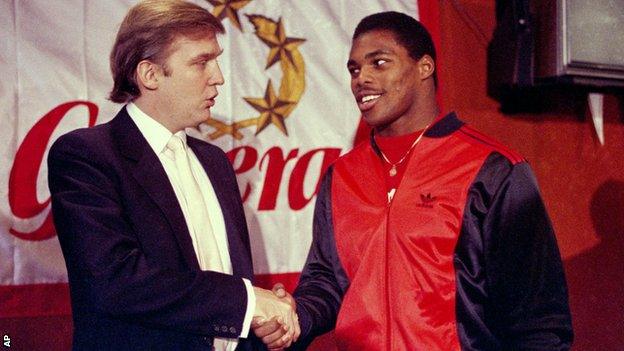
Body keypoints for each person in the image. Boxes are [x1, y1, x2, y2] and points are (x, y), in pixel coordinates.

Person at [254, 11, 573, 350]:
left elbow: (539, 319)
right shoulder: (342, 175)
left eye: (379, 63)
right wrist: (297, 316)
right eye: (354, 69)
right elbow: (327, 281)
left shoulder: (493, 169)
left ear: (425, 67)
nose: (361, 78)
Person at [48, 1, 298, 350]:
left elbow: (228, 291)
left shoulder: (215, 162)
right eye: (201, 62)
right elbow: (116, 283)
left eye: (216, 59)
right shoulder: (86, 155)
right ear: (149, 75)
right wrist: (248, 301)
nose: (219, 76)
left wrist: (262, 320)